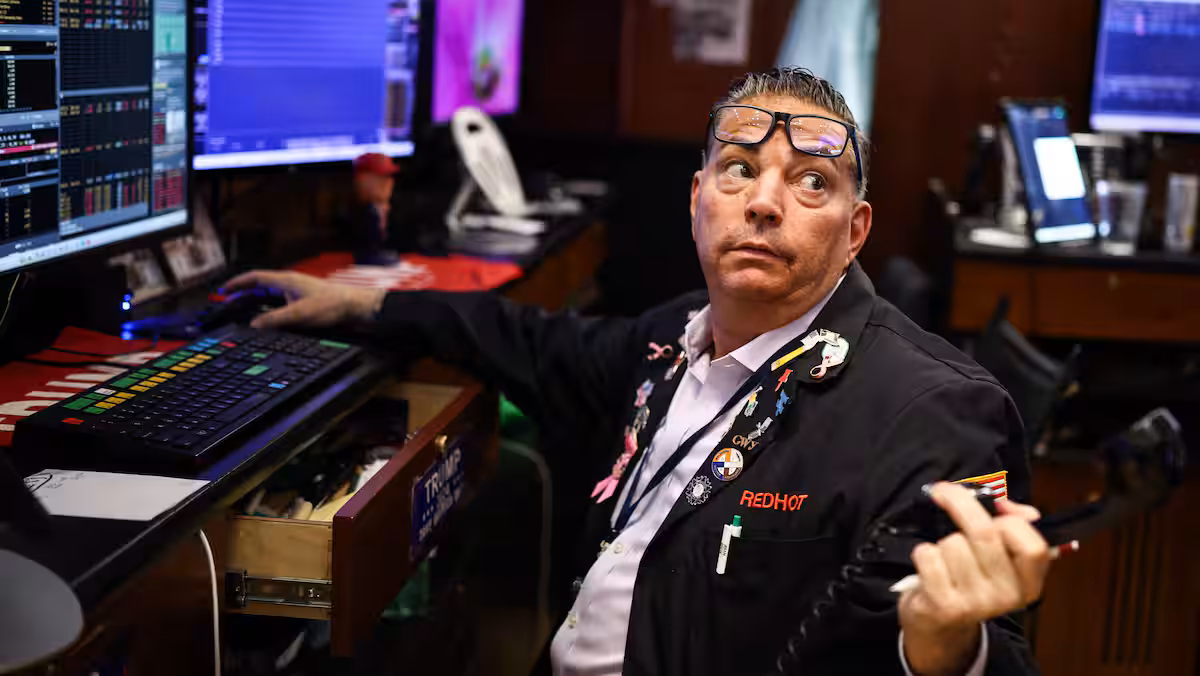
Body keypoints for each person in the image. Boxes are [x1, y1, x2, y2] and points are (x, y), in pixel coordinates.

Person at [226, 68, 1051, 675]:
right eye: (739, 169)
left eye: (811, 182)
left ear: (856, 230)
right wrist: (365, 304)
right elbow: (526, 337)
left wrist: (947, 648)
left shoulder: (934, 410)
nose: (764, 202)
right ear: (697, 199)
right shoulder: (670, 337)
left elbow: (999, 657)